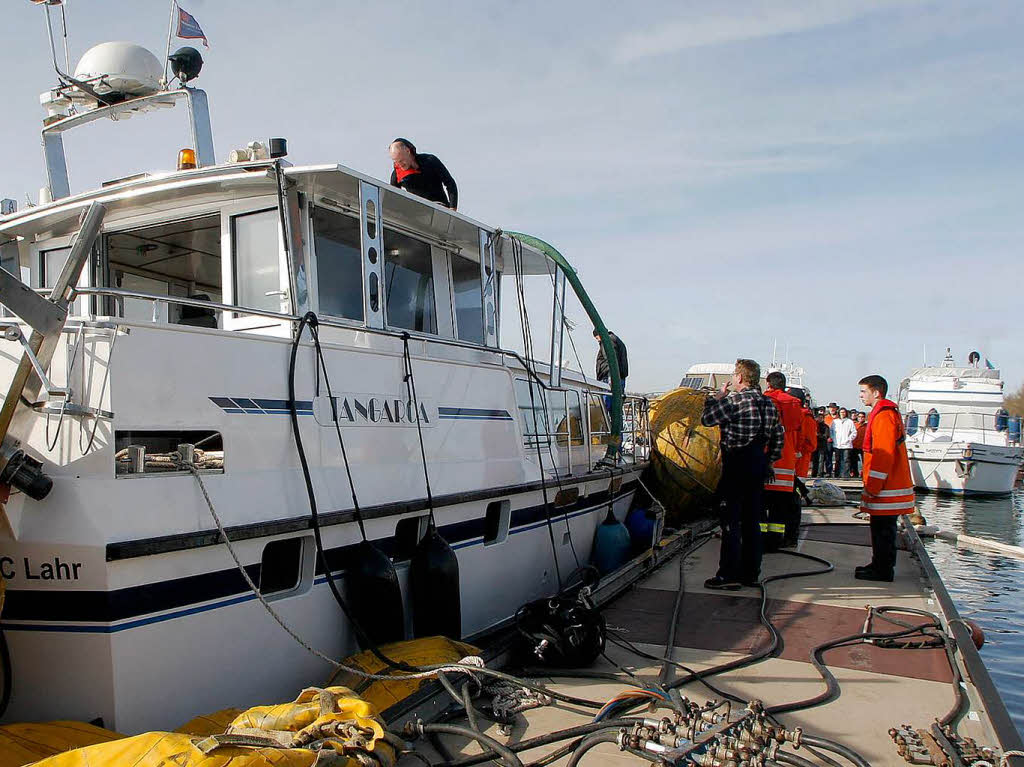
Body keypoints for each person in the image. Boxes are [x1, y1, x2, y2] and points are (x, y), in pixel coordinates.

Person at [701, 359, 784, 590]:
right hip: (757, 467)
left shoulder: (734, 401)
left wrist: (717, 397)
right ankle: (751, 574)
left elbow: (707, 419)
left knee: (730, 522)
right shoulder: (769, 405)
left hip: (736, 466)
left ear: (739, 378)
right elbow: (779, 438)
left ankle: (728, 575)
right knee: (753, 522)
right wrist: (768, 461)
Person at [856, 375, 915, 582]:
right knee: (881, 528)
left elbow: (883, 453)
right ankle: (879, 564)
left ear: (876, 392)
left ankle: (882, 570)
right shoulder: (886, 413)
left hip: (885, 487)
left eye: (864, 391)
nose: (860, 395)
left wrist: (873, 485)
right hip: (887, 485)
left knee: (883, 530)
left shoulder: (883, 416)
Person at [762, 371, 803, 552]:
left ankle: (760, 541)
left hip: (767, 462)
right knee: (779, 510)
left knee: (760, 509)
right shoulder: (795, 404)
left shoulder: (766, 400)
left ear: (769, 384)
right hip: (786, 464)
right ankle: (774, 542)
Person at [388, 138, 458, 209]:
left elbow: (450, 183)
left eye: (401, 160)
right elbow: (393, 197)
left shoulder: (430, 161)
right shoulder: (397, 173)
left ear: (408, 151)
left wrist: (453, 208)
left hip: (439, 207)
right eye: (396, 162)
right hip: (418, 211)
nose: (400, 165)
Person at [795, 396, 818, 508]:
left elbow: (810, 443)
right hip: (796, 457)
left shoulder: (805, 417)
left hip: (800, 458)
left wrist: (798, 450)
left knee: (797, 487)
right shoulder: (804, 416)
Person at [831, 407, 857, 478]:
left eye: (844, 412)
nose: (842, 413)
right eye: (841, 412)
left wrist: (849, 439)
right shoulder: (835, 421)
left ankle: (845, 475)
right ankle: (837, 475)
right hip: (837, 445)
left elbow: (854, 432)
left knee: (846, 460)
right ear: (839, 413)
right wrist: (834, 438)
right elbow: (831, 431)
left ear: (846, 413)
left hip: (846, 445)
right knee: (837, 460)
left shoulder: (850, 422)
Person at [823, 403, 838, 476]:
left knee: (838, 457)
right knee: (828, 457)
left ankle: (838, 472)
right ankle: (828, 472)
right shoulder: (826, 418)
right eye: (830, 408)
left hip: (838, 441)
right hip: (828, 441)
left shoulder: (839, 418)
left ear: (836, 409)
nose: (832, 409)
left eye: (833, 408)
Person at [851, 411, 867, 476]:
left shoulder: (867, 426)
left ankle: (864, 474)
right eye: (859, 417)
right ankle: (855, 473)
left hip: (863, 446)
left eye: (862, 417)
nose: (861, 418)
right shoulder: (854, 425)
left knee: (865, 462)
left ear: (865, 418)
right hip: (855, 446)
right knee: (854, 461)